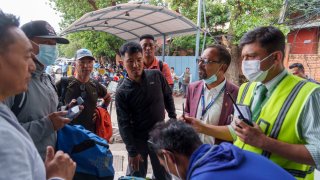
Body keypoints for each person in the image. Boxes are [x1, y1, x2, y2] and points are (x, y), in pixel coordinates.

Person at [231, 26, 320, 179]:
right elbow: (238, 133)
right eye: (243, 57)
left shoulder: (309, 94)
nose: (244, 63)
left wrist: (264, 142)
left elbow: (318, 153)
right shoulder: (246, 88)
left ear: (276, 57)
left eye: (251, 56)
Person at [0, 10, 76, 179]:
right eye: (27, 54)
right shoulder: (5, 138)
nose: (32, 66)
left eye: (54, 44)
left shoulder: (47, 78)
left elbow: (46, 114)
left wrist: (64, 111)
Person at [148, 120, 295, 180]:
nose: (168, 171)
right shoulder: (229, 152)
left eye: (164, 165)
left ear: (168, 156)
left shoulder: (205, 177)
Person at [116, 42, 176, 179]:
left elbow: (168, 96)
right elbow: (123, 124)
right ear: (122, 62)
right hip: (137, 141)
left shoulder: (156, 76)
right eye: (130, 61)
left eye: (138, 60)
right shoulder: (122, 92)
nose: (135, 65)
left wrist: (173, 120)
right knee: (136, 176)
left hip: (159, 137)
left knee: (163, 175)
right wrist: (132, 152)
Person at [185, 45, 238, 144]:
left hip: (218, 155)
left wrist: (202, 128)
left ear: (222, 67)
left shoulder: (236, 93)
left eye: (205, 61)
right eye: (199, 60)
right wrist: (185, 118)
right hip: (193, 152)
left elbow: (236, 132)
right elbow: (187, 111)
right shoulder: (193, 88)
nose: (200, 65)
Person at [56, 48, 111, 133]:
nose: (86, 66)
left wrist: (101, 110)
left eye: (89, 62)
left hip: (90, 134)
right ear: (75, 64)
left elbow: (107, 97)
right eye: (82, 62)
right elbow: (51, 106)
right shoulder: (64, 83)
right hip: (68, 134)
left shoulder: (95, 84)